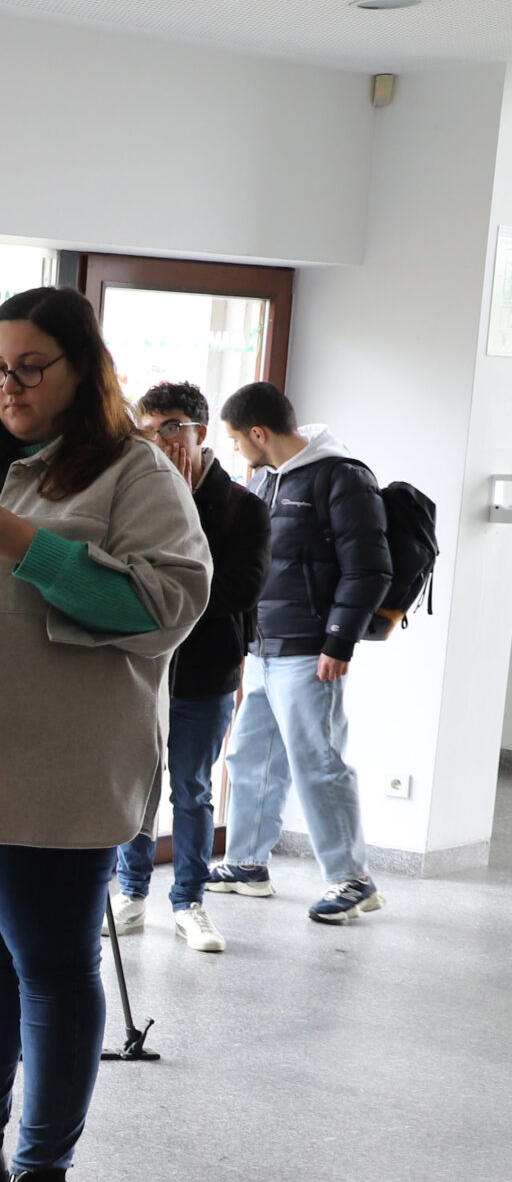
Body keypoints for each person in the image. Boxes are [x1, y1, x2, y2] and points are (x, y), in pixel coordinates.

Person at [0, 288, 209, 1182]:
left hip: (57, 763)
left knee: (49, 961)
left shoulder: (131, 471)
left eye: (30, 367)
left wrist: (25, 542)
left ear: (83, 369)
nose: (9, 385)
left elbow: (166, 606)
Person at [206, 380, 391, 925]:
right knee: (250, 757)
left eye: (237, 438)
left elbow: (369, 569)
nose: (235, 448)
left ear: (259, 433)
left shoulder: (343, 477)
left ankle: (352, 879)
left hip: (311, 650)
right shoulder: (266, 479)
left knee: (319, 763)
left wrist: (339, 641)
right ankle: (246, 863)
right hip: (263, 646)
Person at [115, 382, 269, 952]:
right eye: (148, 432)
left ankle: (189, 901)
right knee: (136, 785)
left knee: (191, 788)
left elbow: (238, 588)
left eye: (169, 429)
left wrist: (184, 510)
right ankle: (131, 893)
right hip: (141, 668)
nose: (158, 442)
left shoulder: (242, 507)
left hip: (206, 673)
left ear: (198, 433)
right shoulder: (137, 496)